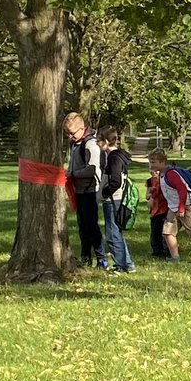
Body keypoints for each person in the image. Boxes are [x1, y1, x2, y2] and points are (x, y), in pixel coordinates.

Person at [63, 112, 107, 269]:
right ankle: (85, 257)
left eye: (72, 133)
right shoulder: (74, 143)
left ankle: (101, 258)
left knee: (91, 226)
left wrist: (73, 174)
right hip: (79, 190)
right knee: (82, 227)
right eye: (68, 133)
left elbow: (92, 169)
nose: (70, 136)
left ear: (82, 128)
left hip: (90, 190)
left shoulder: (90, 144)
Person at [97, 125, 135, 274]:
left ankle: (120, 266)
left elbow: (116, 181)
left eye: (99, 140)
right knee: (117, 232)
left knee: (112, 234)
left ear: (106, 141)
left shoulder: (114, 158)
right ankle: (128, 264)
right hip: (116, 199)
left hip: (113, 200)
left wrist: (105, 192)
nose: (97, 144)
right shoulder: (118, 156)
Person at [145, 149, 171, 258]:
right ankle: (157, 251)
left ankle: (165, 251)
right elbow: (147, 195)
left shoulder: (165, 176)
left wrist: (153, 197)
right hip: (154, 211)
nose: (151, 166)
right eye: (150, 163)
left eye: (153, 162)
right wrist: (150, 195)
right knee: (154, 231)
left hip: (163, 209)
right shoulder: (150, 181)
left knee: (162, 231)